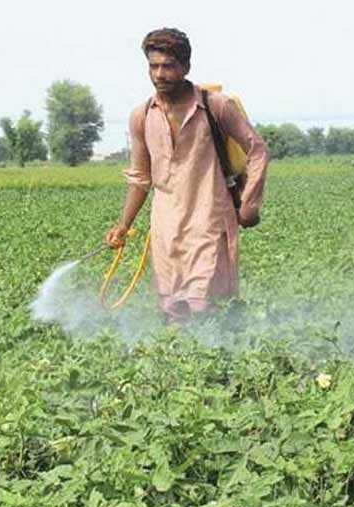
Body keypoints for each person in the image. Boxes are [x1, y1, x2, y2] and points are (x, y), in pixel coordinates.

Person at [105, 28, 269, 322]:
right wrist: (123, 225)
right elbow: (141, 177)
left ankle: (221, 363)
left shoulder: (215, 106)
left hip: (209, 223)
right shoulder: (141, 115)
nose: (159, 74)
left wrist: (250, 204)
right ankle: (185, 365)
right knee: (173, 310)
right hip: (166, 228)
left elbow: (257, 149)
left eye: (167, 66)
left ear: (185, 67)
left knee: (206, 306)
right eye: (153, 66)